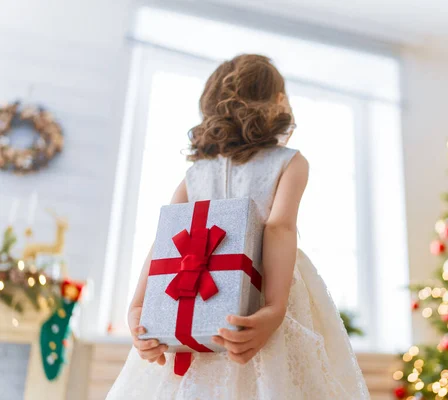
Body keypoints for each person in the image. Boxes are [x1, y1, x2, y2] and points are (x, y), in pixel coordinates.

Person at [107, 54, 369, 399]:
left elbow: (167, 242)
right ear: (278, 102)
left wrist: (138, 306)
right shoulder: (289, 162)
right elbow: (279, 229)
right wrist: (273, 309)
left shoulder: (194, 174)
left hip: (196, 296)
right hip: (265, 285)